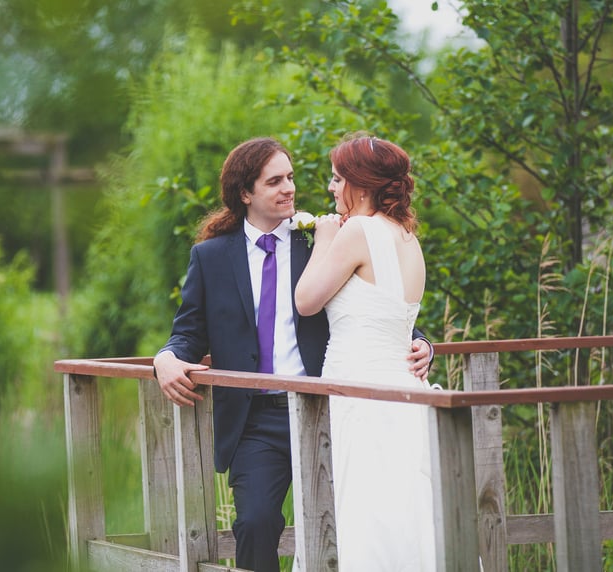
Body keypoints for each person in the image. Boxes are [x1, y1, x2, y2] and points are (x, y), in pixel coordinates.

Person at [153, 137, 433, 572]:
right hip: (255, 418)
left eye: (290, 177)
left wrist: (422, 342)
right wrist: (165, 358)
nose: (290, 188)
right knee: (255, 522)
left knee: (354, 519)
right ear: (245, 193)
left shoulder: (321, 239)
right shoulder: (211, 257)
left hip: (326, 409)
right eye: (274, 181)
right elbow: (188, 332)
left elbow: (378, 305)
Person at [295, 134, 437, 570]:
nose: (331, 188)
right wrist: (426, 344)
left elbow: (306, 300)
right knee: (404, 512)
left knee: (360, 512)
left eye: (338, 179)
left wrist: (323, 237)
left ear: (362, 184)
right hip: (404, 394)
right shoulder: (408, 237)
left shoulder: (358, 231)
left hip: (358, 394)